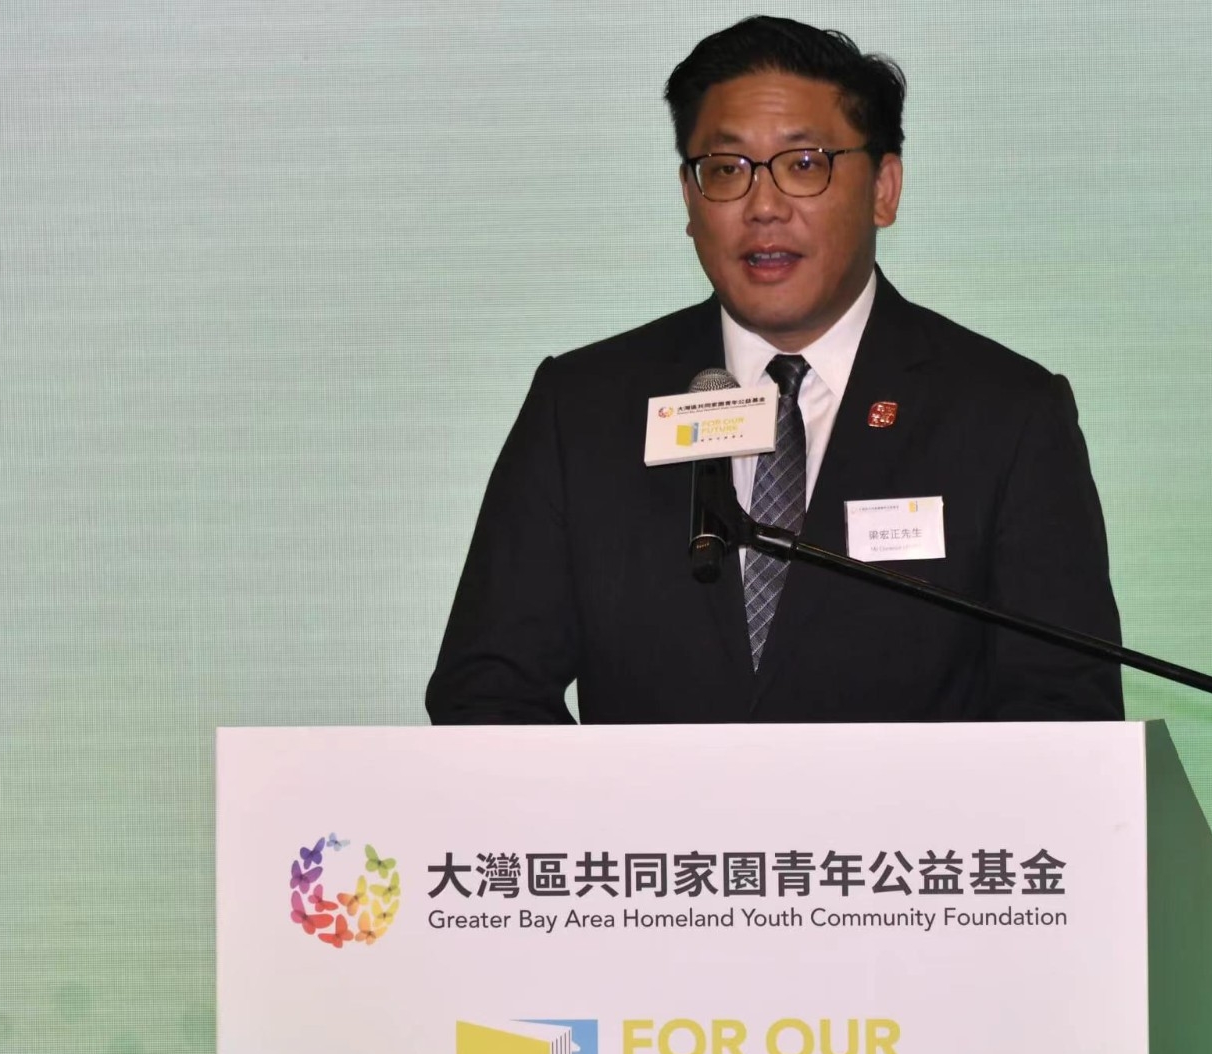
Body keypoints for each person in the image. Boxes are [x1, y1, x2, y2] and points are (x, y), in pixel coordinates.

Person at [426, 16, 1123, 725]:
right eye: (726, 170)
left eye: (804, 164)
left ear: (884, 189)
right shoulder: (582, 408)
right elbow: (487, 691)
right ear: (690, 198)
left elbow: (1064, 710)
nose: (763, 207)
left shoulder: (1006, 415)